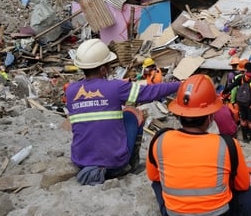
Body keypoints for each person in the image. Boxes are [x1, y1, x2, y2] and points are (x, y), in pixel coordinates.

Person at [147, 74, 251, 216]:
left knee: (158, 182)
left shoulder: (159, 140)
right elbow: (242, 186)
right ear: (210, 117)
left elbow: (154, 177)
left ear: (179, 113)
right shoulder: (227, 144)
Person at [66, 39, 180, 185]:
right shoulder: (115, 87)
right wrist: (179, 85)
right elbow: (151, 92)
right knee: (132, 114)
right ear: (103, 69)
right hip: (114, 165)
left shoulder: (70, 91)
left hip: (82, 162)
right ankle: (130, 165)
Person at [223, 61, 251, 141]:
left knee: (243, 119)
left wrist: (224, 92)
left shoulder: (241, 78)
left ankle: (245, 137)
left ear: (245, 69)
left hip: (241, 102)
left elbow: (231, 86)